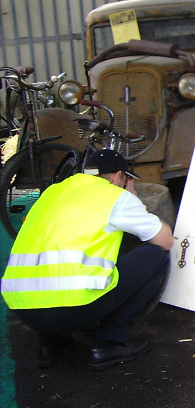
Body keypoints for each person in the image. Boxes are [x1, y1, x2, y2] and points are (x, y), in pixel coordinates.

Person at [1, 149, 173, 371]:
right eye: (126, 180)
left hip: (22, 308)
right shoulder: (114, 196)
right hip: (72, 308)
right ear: (119, 176)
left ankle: (49, 343)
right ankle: (107, 344)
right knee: (156, 257)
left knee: (47, 269)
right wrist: (131, 196)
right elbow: (165, 239)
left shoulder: (54, 192)